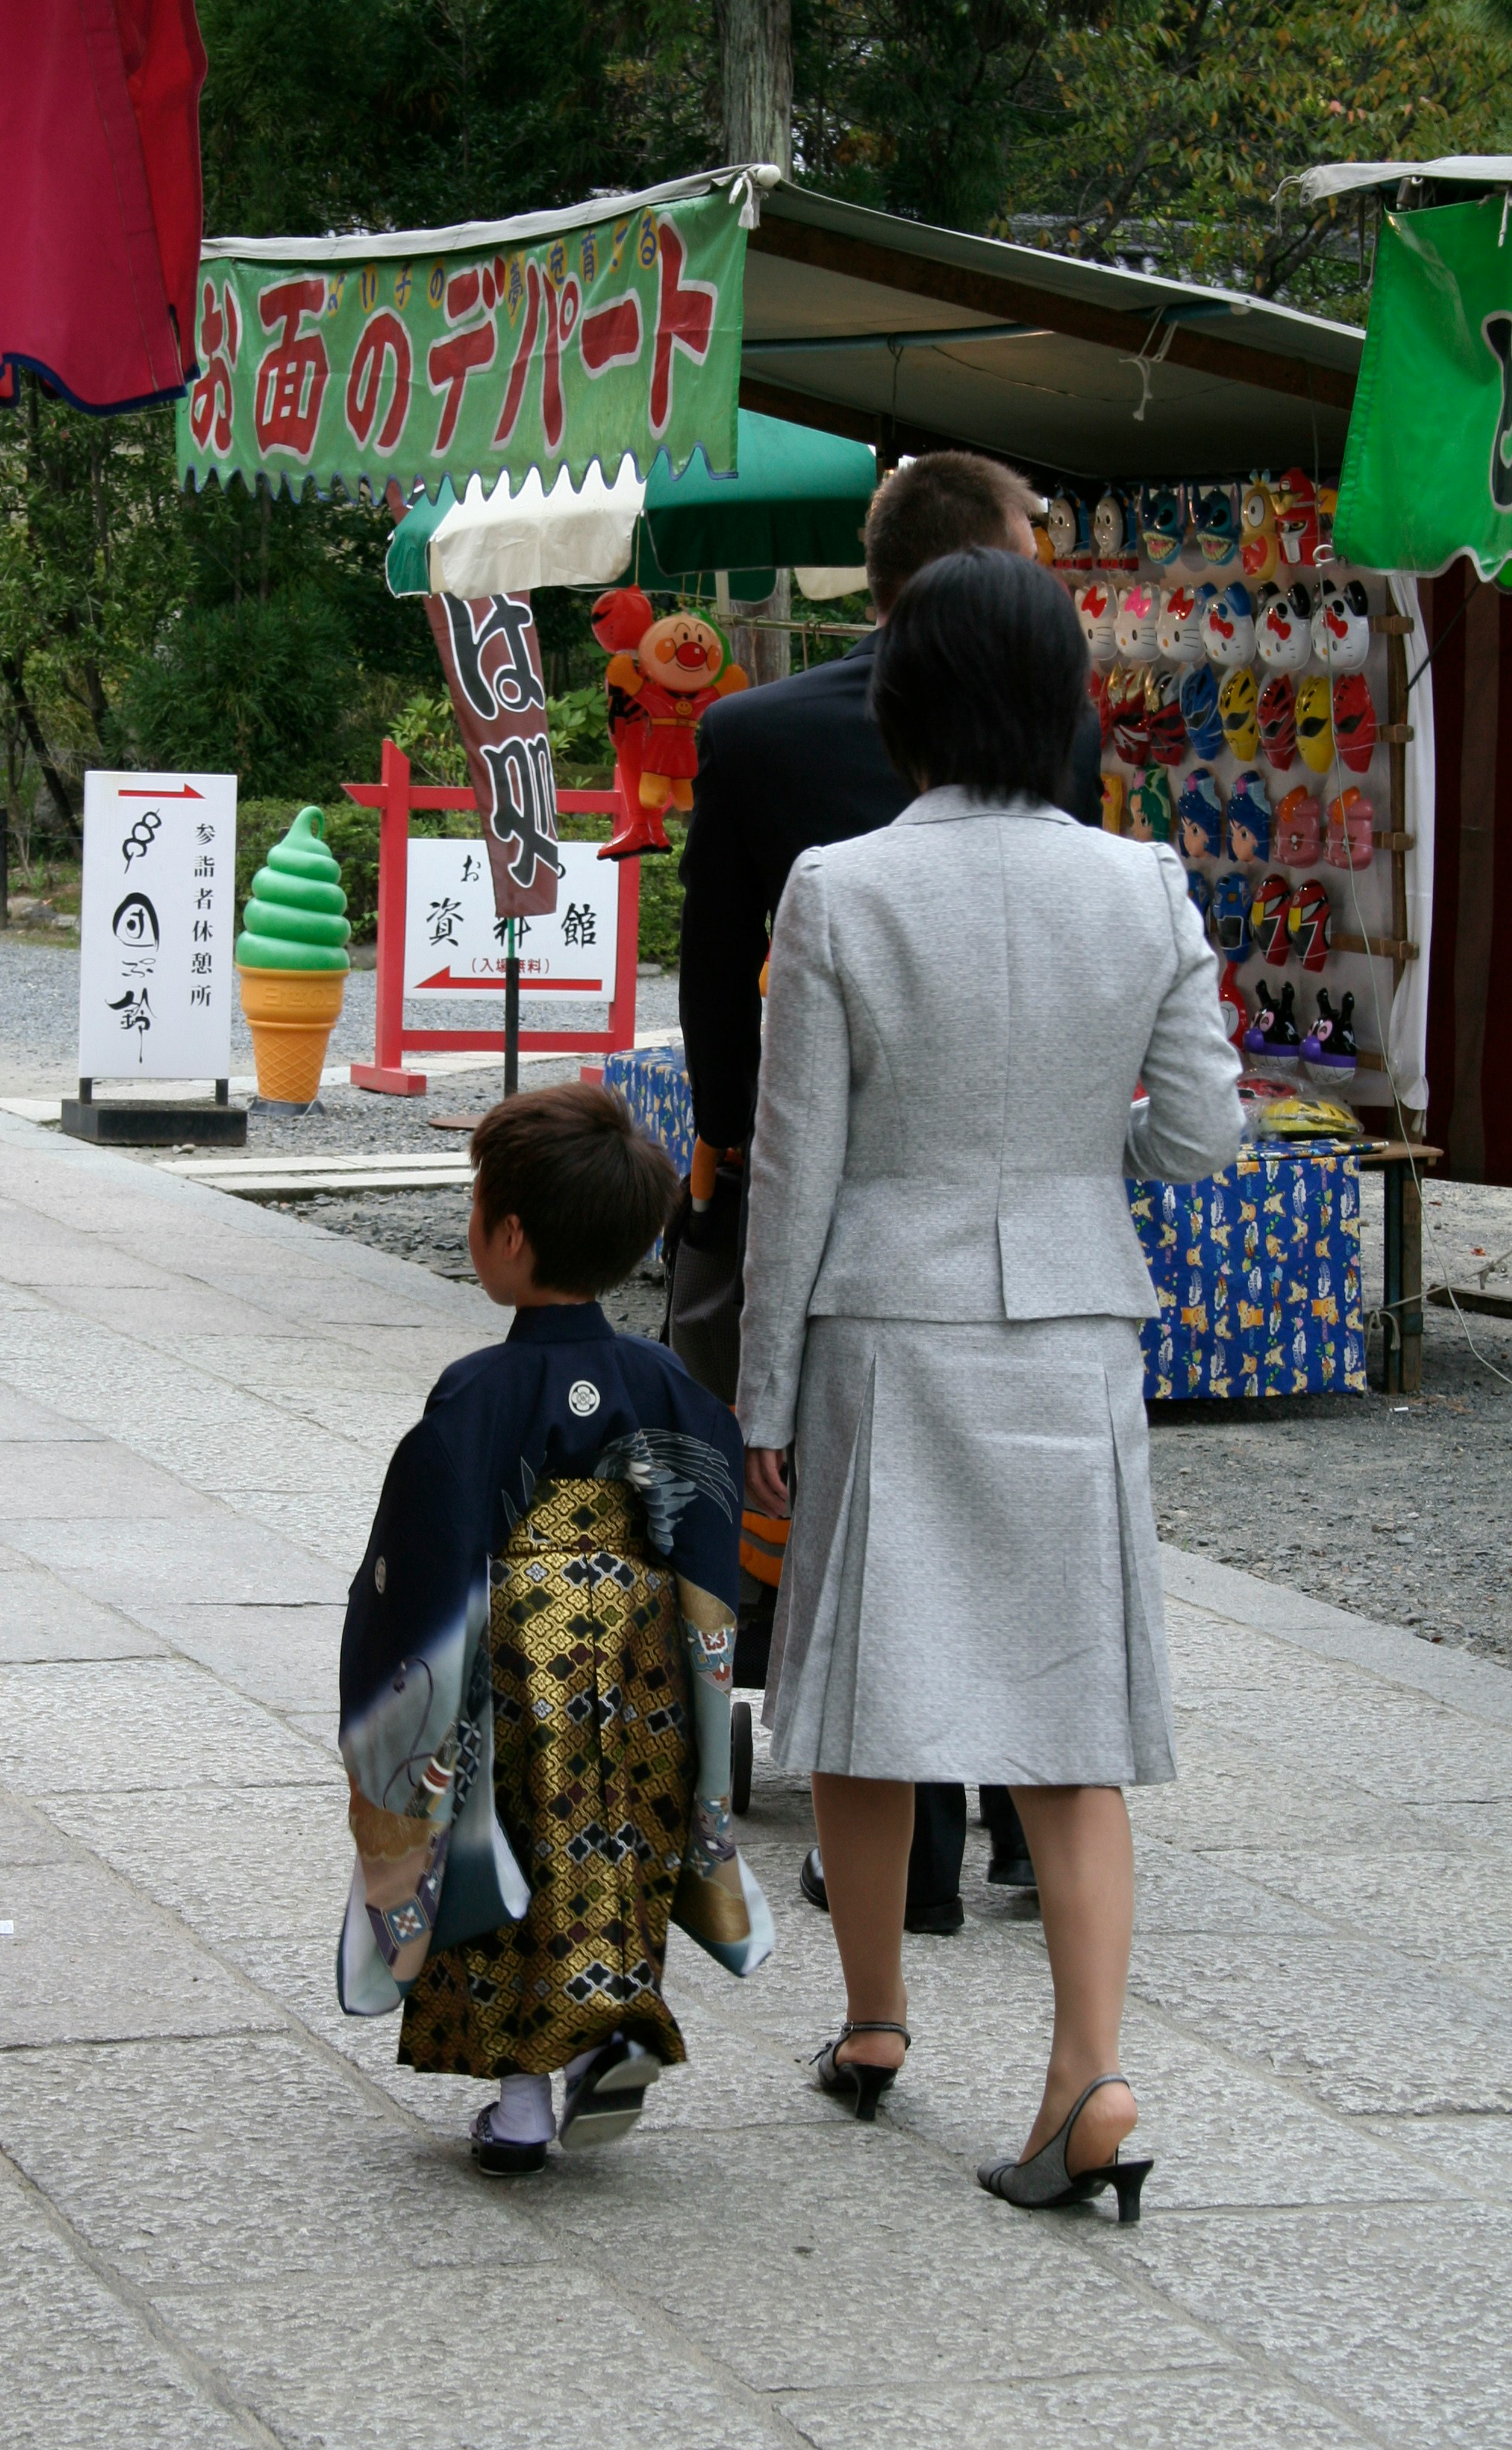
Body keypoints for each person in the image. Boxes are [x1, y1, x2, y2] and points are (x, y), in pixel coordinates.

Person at [736, 550, 1240, 2220]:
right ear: (1059, 698)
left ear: (908, 697)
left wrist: (760, 1395)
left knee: (864, 1686)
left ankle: (875, 2021)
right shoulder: (1145, 883)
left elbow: (795, 1171)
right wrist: (1073, 1168)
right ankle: (1090, 2077)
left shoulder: (840, 890)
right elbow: (1203, 1135)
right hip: (1075, 1328)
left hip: (886, 1324)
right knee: (1071, 1715)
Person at [676, 448, 1088, 1919]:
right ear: (983, 560)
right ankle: (1024, 1817)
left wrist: (731, 1149)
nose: (1044, 561)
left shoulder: (754, 733)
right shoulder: (1064, 737)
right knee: (1003, 1520)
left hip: (822, 1179)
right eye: (1032, 540)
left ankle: (896, 1852)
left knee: (845, 1509)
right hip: (1012, 1209)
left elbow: (713, 974)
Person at [335, 1083, 773, 2177]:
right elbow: (710, 1519)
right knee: (615, 1845)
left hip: (508, 1663)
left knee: (501, 1855)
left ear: (511, 1237)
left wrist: (398, 1681)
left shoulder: (477, 1389)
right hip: (642, 1655)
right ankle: (607, 2029)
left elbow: (424, 1553)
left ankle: (524, 2107)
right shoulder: (662, 1377)